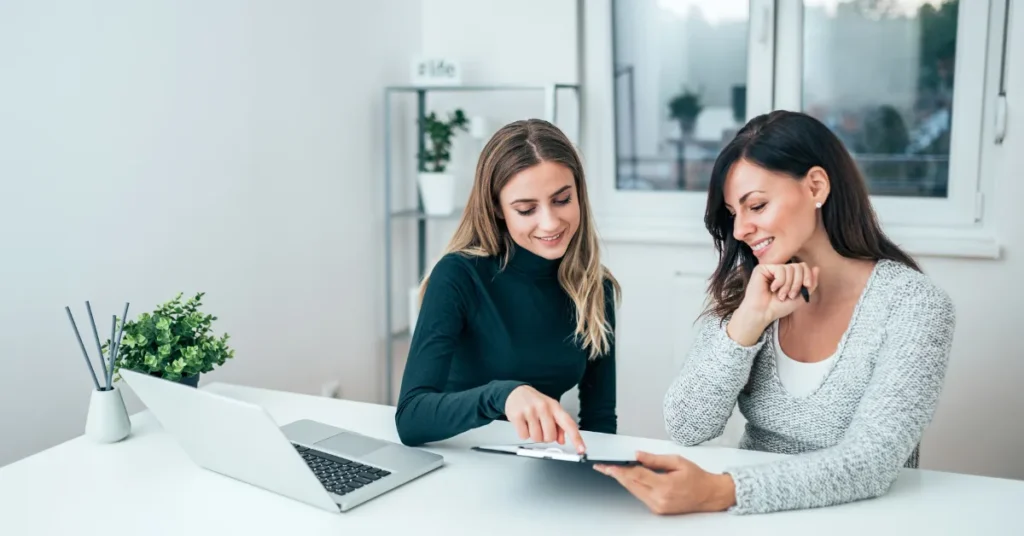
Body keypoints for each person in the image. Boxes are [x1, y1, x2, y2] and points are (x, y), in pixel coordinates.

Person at [594, 110, 955, 515]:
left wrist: (722, 491)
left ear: (816, 185)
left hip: (858, 519)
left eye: (757, 205)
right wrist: (748, 322)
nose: (740, 230)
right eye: (733, 214)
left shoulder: (913, 304)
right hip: (751, 518)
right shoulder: (750, 290)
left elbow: (871, 462)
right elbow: (687, 425)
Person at [395, 118, 620, 453]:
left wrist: (598, 479)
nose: (550, 222)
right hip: (454, 460)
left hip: (537, 468)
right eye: (526, 209)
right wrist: (502, 395)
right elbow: (411, 418)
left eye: (562, 200)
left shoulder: (593, 286)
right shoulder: (458, 275)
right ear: (498, 209)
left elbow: (600, 419)